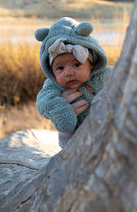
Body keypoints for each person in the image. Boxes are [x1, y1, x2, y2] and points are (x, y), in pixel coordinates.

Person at [35, 17, 113, 148]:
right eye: (60, 68)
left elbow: (128, 82)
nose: (68, 73)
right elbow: (43, 102)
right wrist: (60, 108)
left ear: (92, 64)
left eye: (76, 65)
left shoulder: (106, 75)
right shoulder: (53, 86)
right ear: (52, 71)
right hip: (73, 143)